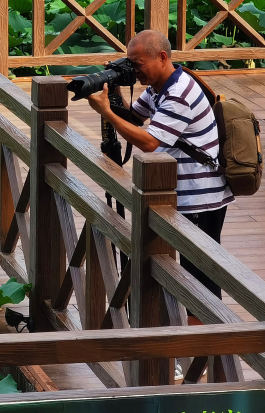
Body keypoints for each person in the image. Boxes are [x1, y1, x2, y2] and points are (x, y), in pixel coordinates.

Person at [85, 30, 234, 314]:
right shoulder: (159, 86)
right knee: (189, 271)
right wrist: (113, 90)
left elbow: (149, 142)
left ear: (162, 57)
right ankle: (193, 337)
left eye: (138, 63)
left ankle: (204, 343)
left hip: (200, 198)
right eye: (129, 63)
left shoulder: (178, 93)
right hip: (182, 193)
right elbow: (134, 119)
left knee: (200, 275)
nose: (134, 70)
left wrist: (106, 113)